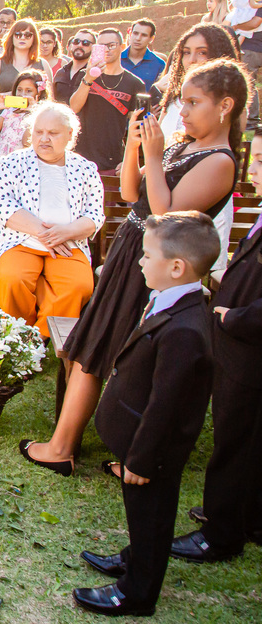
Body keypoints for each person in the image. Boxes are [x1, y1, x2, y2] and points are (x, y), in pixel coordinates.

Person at [19, 58, 245, 476]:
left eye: (194, 102)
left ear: (225, 106)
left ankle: (72, 447)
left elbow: (166, 216)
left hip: (157, 265)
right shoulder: (184, 146)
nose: (185, 110)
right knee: (94, 343)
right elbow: (128, 191)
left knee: (107, 349)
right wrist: (134, 147)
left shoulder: (219, 161)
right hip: (131, 252)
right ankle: (68, 444)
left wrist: (156, 156)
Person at [74, 212, 219, 618]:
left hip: (152, 448)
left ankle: (136, 592)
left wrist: (141, 458)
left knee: (151, 515)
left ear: (177, 267)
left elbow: (166, 404)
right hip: (140, 440)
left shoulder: (186, 330)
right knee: (142, 514)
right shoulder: (172, 298)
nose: (139, 262)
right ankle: (134, 556)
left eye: (146, 255)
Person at [172, 134, 262, 566]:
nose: (253, 170)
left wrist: (233, 318)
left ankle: (221, 532)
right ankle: (246, 513)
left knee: (237, 438)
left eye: (261, 160)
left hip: (248, 342)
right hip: (239, 342)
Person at [0, 102, 103, 341]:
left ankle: (37, 340)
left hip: (68, 245)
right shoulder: (13, 162)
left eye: (53, 133)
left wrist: (67, 232)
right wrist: (45, 233)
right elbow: (0, 203)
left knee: (78, 287)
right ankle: (16, 336)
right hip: (19, 241)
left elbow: (95, 215)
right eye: (39, 132)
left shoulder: (85, 168)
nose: (44, 139)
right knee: (13, 280)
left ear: (70, 135)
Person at [154, 24, 241, 273]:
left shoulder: (225, 106)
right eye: (186, 51)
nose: (192, 59)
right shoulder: (172, 98)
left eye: (202, 52)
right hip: (163, 187)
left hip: (202, 192)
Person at [70, 28, 146, 173]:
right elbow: (74, 108)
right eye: (101, 46)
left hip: (113, 159)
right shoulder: (83, 76)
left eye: (111, 45)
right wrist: (88, 79)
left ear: (122, 47)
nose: (106, 50)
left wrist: (128, 160)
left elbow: (139, 127)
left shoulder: (135, 84)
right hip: (79, 157)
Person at [0, 69, 50, 167]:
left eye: (29, 91)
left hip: (23, 161)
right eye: (19, 89)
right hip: (3, 159)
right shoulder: (10, 110)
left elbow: (26, 142)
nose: (22, 94)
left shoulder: (41, 114)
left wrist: (34, 112)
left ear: (38, 93)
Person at [0, 17, 52, 106]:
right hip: (5, 116)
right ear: (12, 37)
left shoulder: (43, 64)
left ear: (34, 38)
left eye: (27, 35)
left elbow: (49, 99)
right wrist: (12, 96)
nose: (22, 38)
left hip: (33, 116)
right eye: (18, 34)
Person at [235, 0, 262, 130]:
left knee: (248, 83)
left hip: (252, 49)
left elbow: (254, 23)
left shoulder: (258, 5)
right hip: (255, 47)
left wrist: (237, 26)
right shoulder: (252, 4)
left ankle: (252, 120)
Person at [53, 29, 96, 105]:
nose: (79, 45)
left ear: (93, 47)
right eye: (76, 41)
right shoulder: (61, 72)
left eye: (85, 43)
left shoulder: (95, 75)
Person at [121, 19, 165, 90]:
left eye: (144, 35)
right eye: (135, 33)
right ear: (130, 34)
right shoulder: (116, 60)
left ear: (151, 39)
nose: (138, 38)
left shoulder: (159, 64)